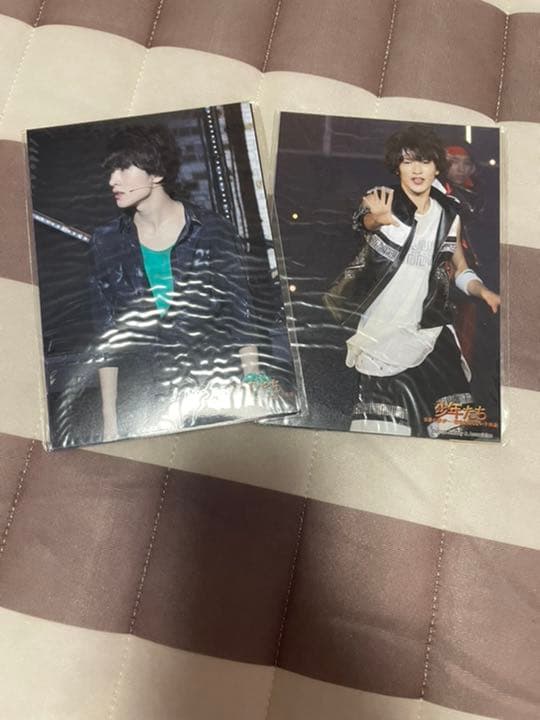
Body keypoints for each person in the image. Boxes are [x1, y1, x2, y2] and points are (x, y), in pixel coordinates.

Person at [89, 124, 276, 441]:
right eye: (110, 170)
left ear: (156, 173)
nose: (112, 181)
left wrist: (254, 388)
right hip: (149, 405)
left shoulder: (212, 230)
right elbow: (107, 340)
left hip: (218, 395)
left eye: (123, 168)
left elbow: (242, 317)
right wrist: (110, 423)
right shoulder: (106, 243)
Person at [341, 125, 500, 439]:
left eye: (425, 162)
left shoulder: (449, 213)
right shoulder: (383, 198)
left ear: (436, 168)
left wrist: (482, 291)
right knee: (385, 426)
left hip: (431, 322)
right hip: (385, 326)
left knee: (457, 422)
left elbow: (460, 267)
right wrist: (377, 219)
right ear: (397, 166)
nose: (417, 169)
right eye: (408, 161)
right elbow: (365, 221)